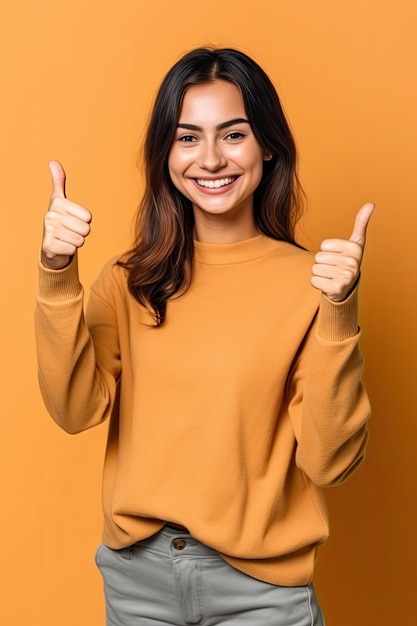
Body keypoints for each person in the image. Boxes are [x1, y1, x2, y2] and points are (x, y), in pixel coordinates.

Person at [35, 47, 373, 625]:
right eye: (187, 137)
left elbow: (329, 462)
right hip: (137, 581)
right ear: (166, 153)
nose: (211, 159)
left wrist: (340, 311)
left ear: (266, 144)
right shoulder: (128, 280)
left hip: (261, 592)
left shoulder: (312, 285)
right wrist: (55, 270)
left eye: (233, 135)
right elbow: (74, 409)